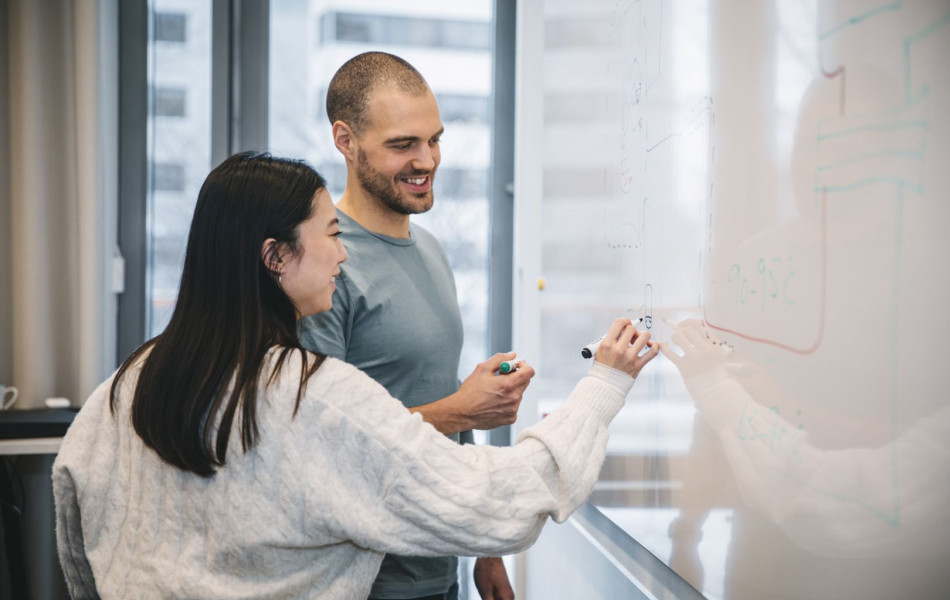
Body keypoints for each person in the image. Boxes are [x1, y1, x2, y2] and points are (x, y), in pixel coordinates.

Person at [52, 151, 659, 599]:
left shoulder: (125, 384)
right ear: (275, 256)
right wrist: (604, 385)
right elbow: (498, 500)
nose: (343, 254)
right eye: (332, 235)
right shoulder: (312, 396)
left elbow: (77, 543)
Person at [297, 52, 530, 600]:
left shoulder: (431, 250)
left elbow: (444, 401)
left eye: (434, 140)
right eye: (403, 144)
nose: (426, 160)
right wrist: (462, 408)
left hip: (439, 569)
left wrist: (485, 546)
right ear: (345, 140)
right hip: (364, 582)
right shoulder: (322, 266)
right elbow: (315, 440)